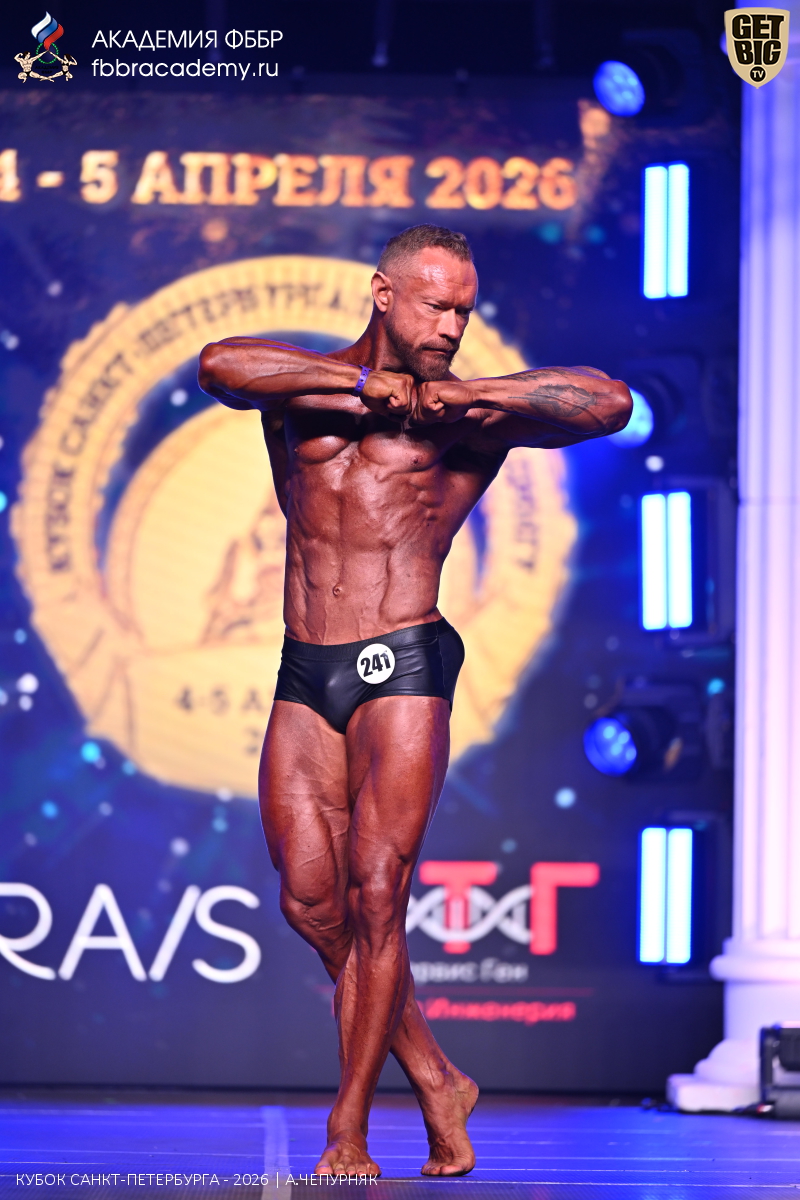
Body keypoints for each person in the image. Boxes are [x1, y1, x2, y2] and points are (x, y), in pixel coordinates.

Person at [198, 224, 631, 1178]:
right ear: (383, 293)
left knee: (377, 897)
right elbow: (219, 363)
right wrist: (365, 387)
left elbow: (609, 402)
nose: (450, 326)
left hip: (404, 659)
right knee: (312, 903)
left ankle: (348, 1131)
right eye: (436, 305)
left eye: (464, 311)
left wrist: (465, 395)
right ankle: (437, 1075)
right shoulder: (308, 389)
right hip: (306, 666)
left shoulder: (469, 417)